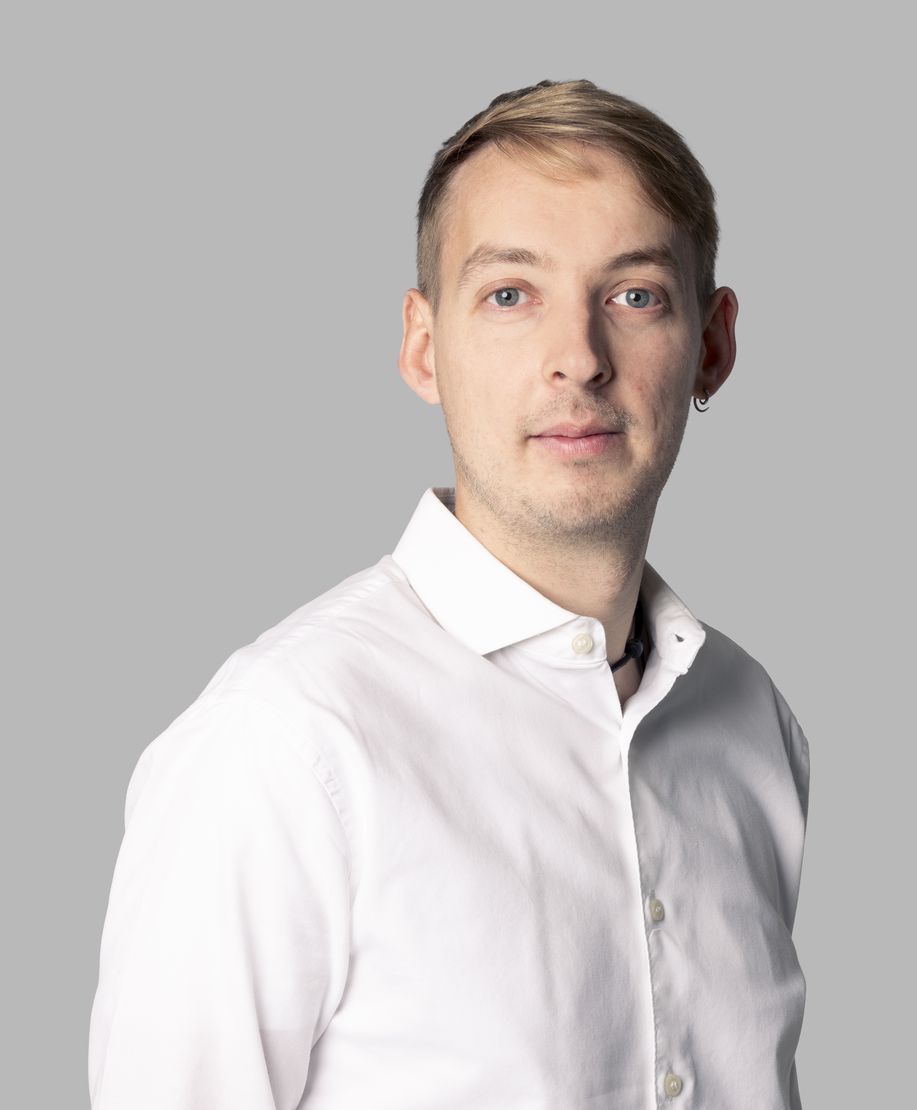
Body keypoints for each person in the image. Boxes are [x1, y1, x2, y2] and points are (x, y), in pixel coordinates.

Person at [89, 79, 811, 1109]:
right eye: (511, 295)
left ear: (714, 344)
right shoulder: (285, 744)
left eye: (635, 294)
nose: (578, 360)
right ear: (425, 348)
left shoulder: (752, 726)